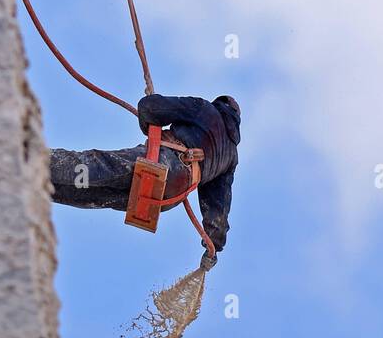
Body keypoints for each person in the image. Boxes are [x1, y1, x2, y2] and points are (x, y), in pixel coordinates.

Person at [49, 94, 240, 269]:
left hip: (162, 165)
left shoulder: (204, 109)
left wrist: (149, 124)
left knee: (95, 166)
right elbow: (218, 211)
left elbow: (150, 107)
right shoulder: (231, 156)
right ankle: (40, 186)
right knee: (94, 195)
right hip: (166, 197)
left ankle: (34, 158)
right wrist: (213, 245)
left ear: (220, 105)